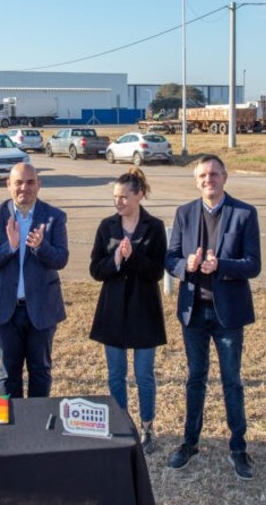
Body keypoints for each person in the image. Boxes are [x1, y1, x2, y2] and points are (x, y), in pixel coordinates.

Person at [164, 154, 261, 481]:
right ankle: (190, 442)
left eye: (215, 174)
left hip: (228, 313)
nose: (209, 180)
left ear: (225, 177)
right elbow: (171, 257)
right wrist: (185, 266)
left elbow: (253, 264)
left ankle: (238, 447)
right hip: (193, 310)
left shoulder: (244, 213)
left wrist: (222, 265)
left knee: (231, 380)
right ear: (197, 181)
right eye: (203, 175)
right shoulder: (184, 213)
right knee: (195, 378)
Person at [89, 167, 167, 454]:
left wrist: (133, 258)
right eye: (115, 197)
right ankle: (122, 424)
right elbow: (96, 270)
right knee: (115, 374)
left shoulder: (155, 227)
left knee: (144, 374)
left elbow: (157, 271)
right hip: (113, 310)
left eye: (123, 197)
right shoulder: (106, 226)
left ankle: (147, 427)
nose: (118, 202)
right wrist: (117, 259)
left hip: (143, 310)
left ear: (139, 195)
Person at [0, 163, 69, 398]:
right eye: (18, 182)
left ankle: (37, 431)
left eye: (30, 182)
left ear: (39, 185)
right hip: (6, 310)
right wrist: (10, 246)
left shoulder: (54, 217)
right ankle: (10, 430)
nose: (24, 188)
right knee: (9, 373)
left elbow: (61, 259)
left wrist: (40, 247)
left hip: (42, 309)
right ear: (8, 185)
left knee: (40, 371)